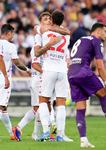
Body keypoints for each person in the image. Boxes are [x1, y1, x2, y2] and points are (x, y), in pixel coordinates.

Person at [12, 12, 70, 142]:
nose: (48, 21)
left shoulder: (51, 34)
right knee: (42, 106)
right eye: (45, 19)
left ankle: (37, 132)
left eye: (50, 19)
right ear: (40, 22)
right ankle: (26, 129)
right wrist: (48, 73)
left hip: (49, 74)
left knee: (43, 106)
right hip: (40, 76)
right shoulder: (39, 37)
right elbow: (35, 64)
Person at [68, 23, 106, 148]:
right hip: (83, 71)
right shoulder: (97, 41)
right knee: (104, 94)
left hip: (71, 74)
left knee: (80, 108)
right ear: (98, 31)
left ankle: (83, 141)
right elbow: (100, 66)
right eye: (105, 31)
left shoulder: (81, 39)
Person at [0, 24, 31, 141]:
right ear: (9, 33)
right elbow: (17, 63)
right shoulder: (10, 46)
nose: (13, 36)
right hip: (3, 78)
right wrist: (27, 70)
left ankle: (11, 133)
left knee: (4, 106)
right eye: (13, 34)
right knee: (0, 106)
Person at [34, 10, 70, 142]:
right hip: (62, 71)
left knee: (43, 101)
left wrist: (49, 29)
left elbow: (39, 29)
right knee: (61, 104)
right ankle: (60, 135)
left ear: (52, 20)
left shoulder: (45, 32)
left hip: (49, 70)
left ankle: (45, 132)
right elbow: (66, 31)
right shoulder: (66, 36)